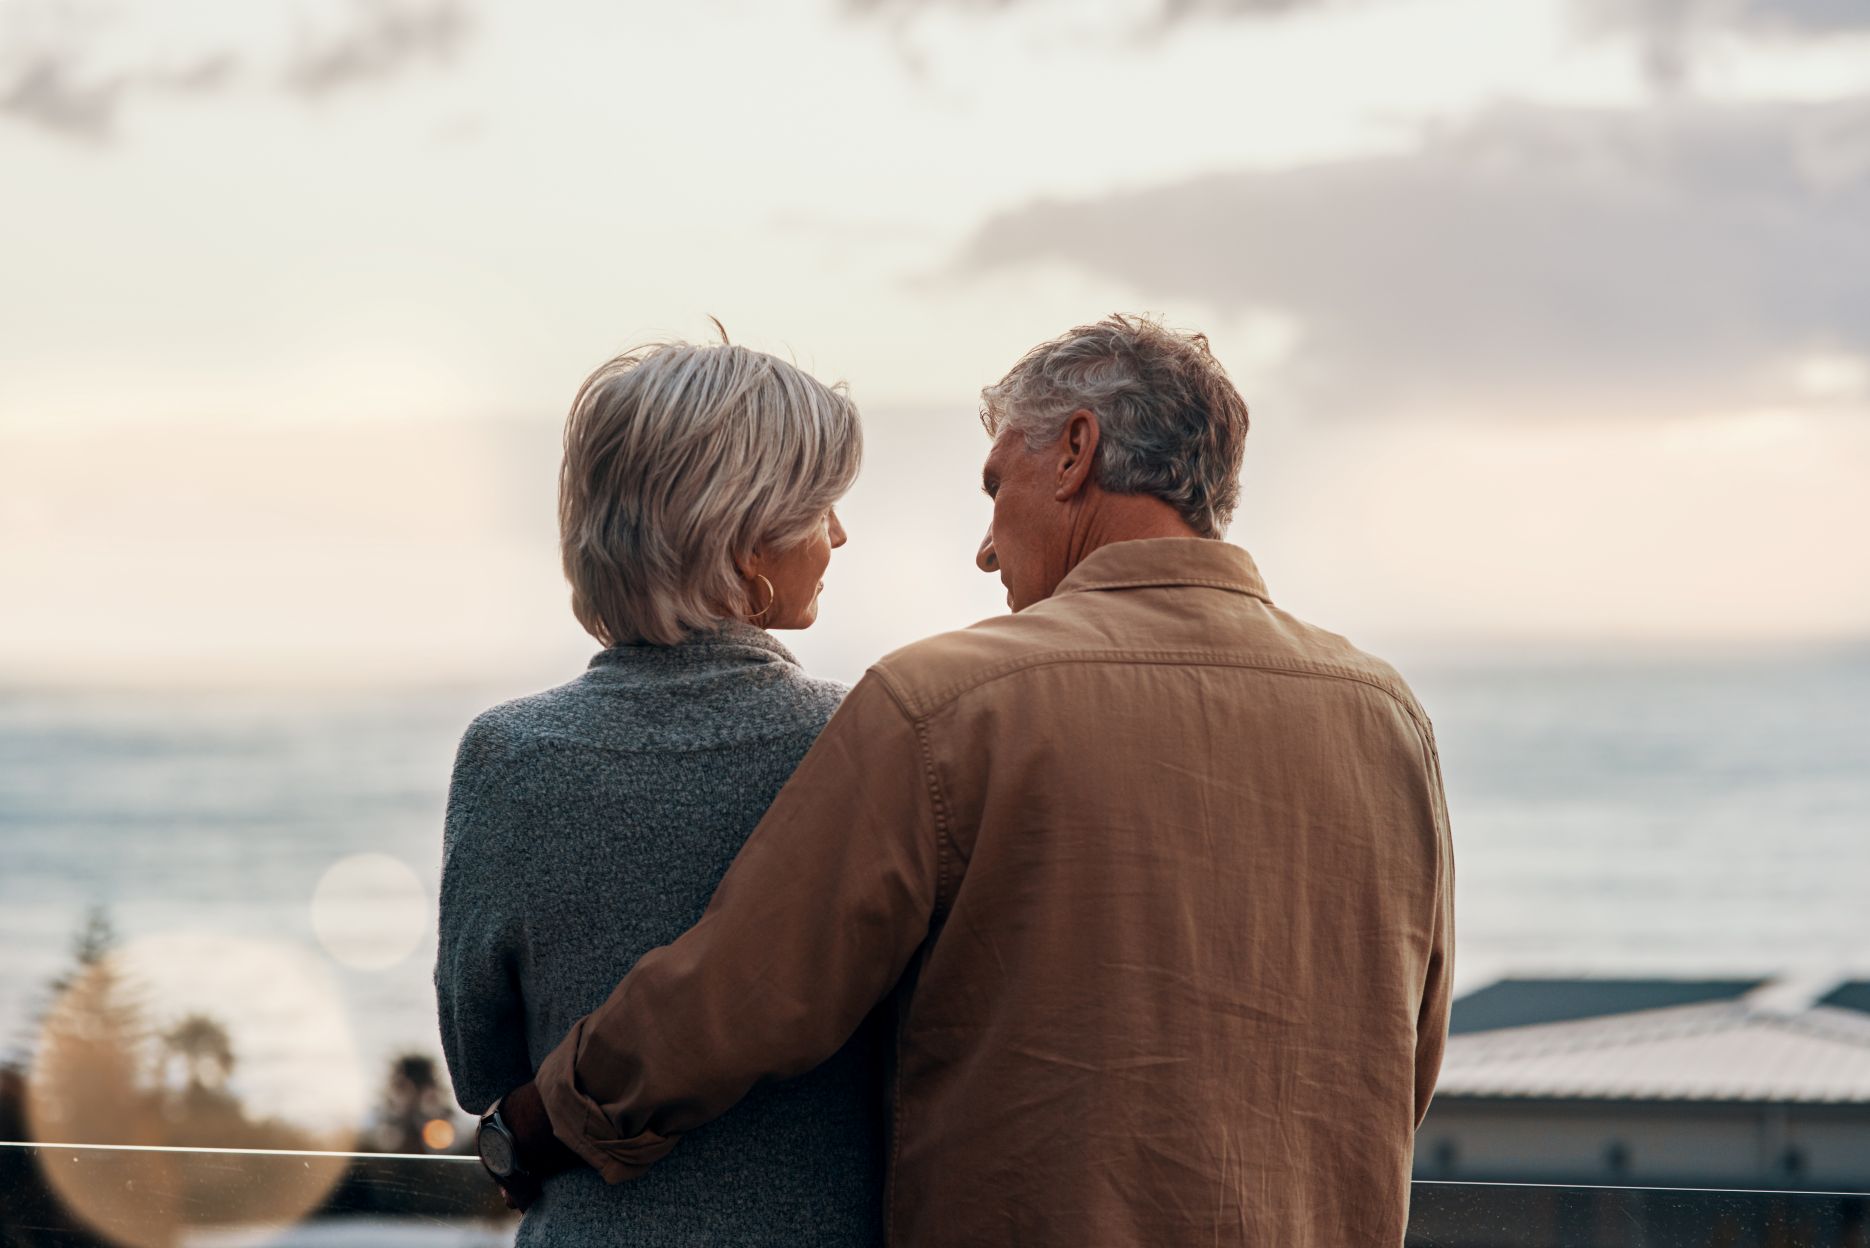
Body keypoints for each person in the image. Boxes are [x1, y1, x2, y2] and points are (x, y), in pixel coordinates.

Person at [496, 314, 1456, 1247]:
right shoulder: (1387, 717)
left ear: (1076, 452)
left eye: (998, 487)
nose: (988, 547)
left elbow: (744, 993)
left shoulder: (949, 703)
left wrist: (540, 1120)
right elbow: (1405, 1055)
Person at [434, 336, 883, 1245]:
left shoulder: (509, 756)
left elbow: (481, 1067)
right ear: (746, 535)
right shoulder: (869, 740)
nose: (838, 535)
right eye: (822, 507)